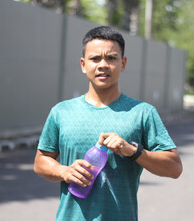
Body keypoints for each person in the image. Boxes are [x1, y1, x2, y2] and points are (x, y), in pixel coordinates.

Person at [34, 26, 182, 221]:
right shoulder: (61, 112)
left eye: (111, 58)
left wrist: (133, 151)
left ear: (123, 64)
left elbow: (174, 168)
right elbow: (40, 162)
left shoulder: (142, 113)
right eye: (95, 59)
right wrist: (65, 171)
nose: (103, 65)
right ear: (83, 64)